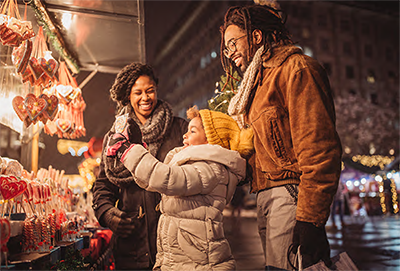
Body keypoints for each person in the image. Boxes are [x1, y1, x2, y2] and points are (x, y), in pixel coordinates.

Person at [220, 3, 342, 270]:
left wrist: (310, 219)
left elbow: (319, 149)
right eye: (226, 48)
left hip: (290, 195)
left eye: (233, 44)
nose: (230, 54)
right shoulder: (256, 83)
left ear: (256, 36)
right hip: (265, 197)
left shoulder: (296, 69)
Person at [105, 106, 254, 270]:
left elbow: (167, 178)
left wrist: (128, 151)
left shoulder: (210, 169)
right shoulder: (195, 163)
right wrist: (136, 148)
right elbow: (152, 181)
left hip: (199, 261)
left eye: (193, 131)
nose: (185, 134)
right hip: (185, 256)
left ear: (210, 140)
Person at [92, 63, 188, 271]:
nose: (145, 98)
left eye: (150, 90)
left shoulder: (180, 129)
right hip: (133, 245)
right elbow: (102, 186)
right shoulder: (115, 138)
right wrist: (108, 214)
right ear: (128, 96)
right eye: (138, 92)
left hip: (176, 242)